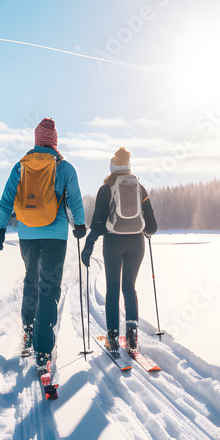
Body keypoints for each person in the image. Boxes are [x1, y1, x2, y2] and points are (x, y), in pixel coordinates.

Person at [0, 118, 86, 373]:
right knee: (48, 288)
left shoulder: (21, 167)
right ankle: (44, 352)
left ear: (36, 140)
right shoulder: (64, 168)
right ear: (54, 141)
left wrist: (0, 228)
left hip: (27, 234)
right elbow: (75, 200)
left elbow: (7, 199)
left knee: (31, 280)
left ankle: (28, 332)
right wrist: (80, 224)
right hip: (55, 236)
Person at [81, 147, 157, 351]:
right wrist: (144, 230)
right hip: (136, 244)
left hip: (113, 242)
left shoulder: (106, 189)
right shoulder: (140, 188)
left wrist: (89, 246)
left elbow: (97, 223)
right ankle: (132, 333)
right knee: (129, 288)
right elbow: (152, 227)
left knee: (113, 288)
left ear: (112, 167)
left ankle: (113, 336)